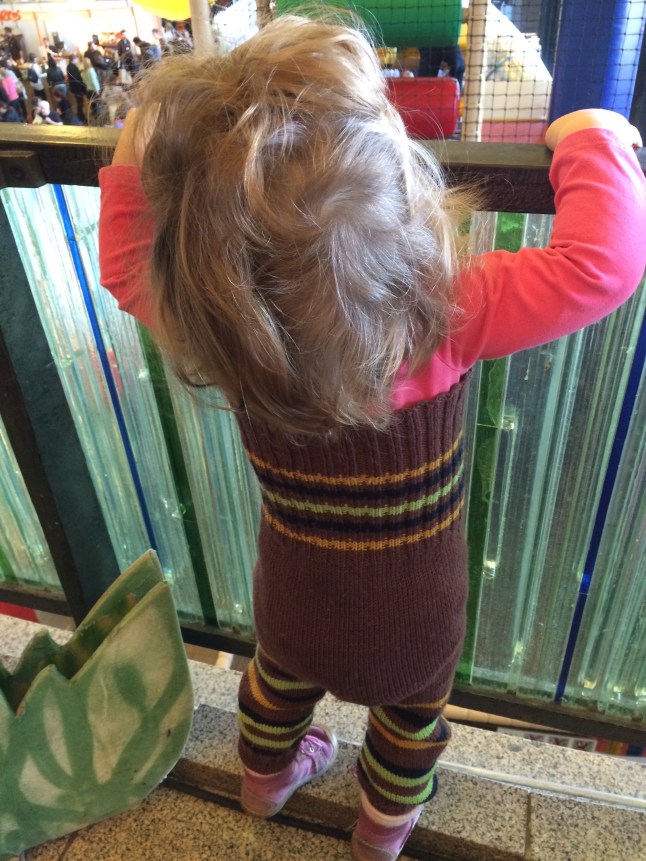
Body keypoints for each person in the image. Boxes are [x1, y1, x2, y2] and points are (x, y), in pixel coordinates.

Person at [98, 16, 646, 861]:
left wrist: (149, 134)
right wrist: (593, 135)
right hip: (416, 619)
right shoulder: (450, 310)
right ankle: (382, 830)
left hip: (294, 599)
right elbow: (603, 265)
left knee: (276, 684)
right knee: (410, 718)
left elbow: (124, 257)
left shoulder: (220, 327)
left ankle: (264, 781)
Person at [66, 54, 87, 123]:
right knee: (80, 103)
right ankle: (81, 117)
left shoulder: (69, 66)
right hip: (77, 88)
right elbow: (76, 79)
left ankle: (80, 115)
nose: (77, 60)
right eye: (77, 59)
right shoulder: (72, 67)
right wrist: (82, 88)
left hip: (75, 88)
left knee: (79, 102)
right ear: (74, 59)